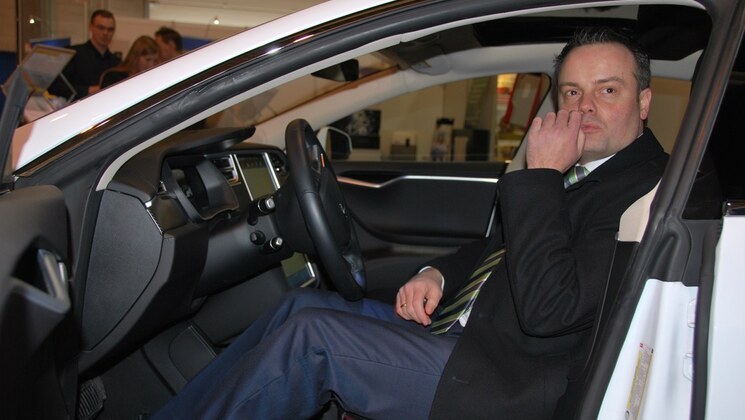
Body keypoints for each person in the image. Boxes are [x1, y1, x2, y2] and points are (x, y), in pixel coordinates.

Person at [152, 26, 668, 419]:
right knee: (300, 305)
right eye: (572, 92)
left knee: (314, 338)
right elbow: (501, 250)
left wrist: (543, 177)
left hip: (506, 378)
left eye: (607, 91)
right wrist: (437, 274)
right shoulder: (585, 172)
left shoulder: (646, 192)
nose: (584, 108)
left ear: (643, 102)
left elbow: (549, 311)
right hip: (472, 336)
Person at [48, 10, 119, 100]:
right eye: (101, 28)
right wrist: (88, 90)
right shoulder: (73, 54)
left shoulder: (117, 62)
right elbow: (54, 86)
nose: (105, 33)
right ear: (91, 27)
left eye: (110, 29)